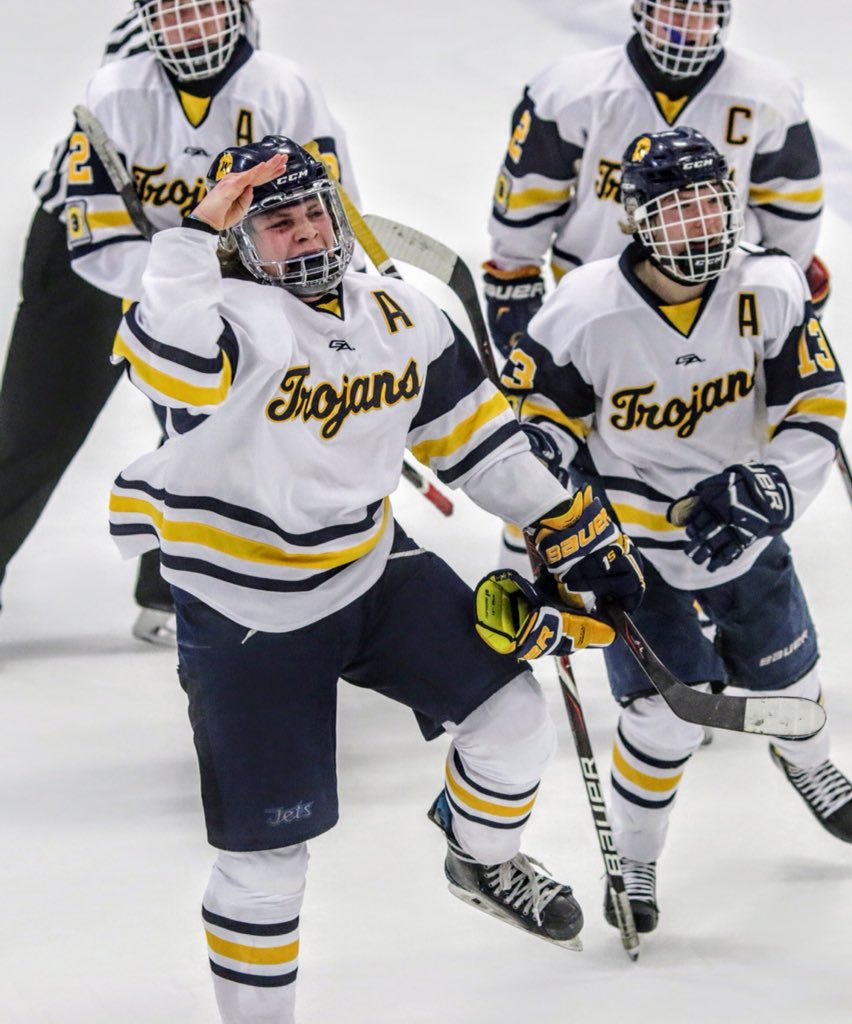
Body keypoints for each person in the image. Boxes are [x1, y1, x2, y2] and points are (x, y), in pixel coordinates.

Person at [106, 134, 645, 1021]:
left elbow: (475, 438)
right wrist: (191, 233)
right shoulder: (224, 320)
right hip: (248, 609)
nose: (307, 234)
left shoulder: (404, 311)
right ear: (237, 239)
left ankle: (480, 857)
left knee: (512, 723)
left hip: (368, 569)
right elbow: (170, 363)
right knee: (268, 862)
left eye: (317, 212)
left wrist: (562, 523)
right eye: (278, 223)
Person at [498, 126, 850, 935]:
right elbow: (538, 434)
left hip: (744, 537)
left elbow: (819, 405)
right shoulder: (584, 309)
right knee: (662, 719)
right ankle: (636, 857)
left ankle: (813, 765)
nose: (700, 226)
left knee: (791, 685)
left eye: (712, 206)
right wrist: (549, 529)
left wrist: (776, 487)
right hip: (632, 552)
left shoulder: (771, 285)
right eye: (678, 210)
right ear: (635, 220)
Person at [0, 0, 351, 644]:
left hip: (213, 256)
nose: (193, 28)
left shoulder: (274, 78)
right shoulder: (132, 68)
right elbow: (108, 217)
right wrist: (188, 282)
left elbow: (321, 198)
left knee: (212, 428)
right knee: (30, 429)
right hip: (94, 249)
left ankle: (178, 590)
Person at [483, 0, 829, 567]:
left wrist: (783, 294)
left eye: (701, 13)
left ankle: (698, 566)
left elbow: (793, 213)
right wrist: (515, 281)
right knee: (553, 452)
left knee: (707, 446)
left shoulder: (768, 95)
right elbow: (527, 201)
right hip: (593, 325)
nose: (686, 29)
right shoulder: (570, 91)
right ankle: (531, 571)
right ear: (643, 9)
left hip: (717, 314)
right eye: (675, 11)